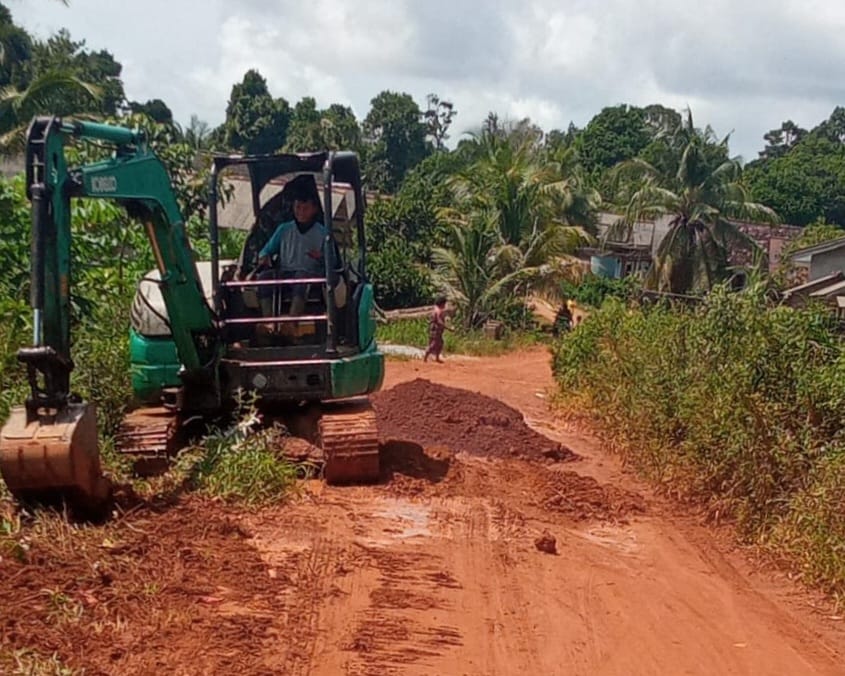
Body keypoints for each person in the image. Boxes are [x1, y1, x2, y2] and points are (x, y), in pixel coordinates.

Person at [255, 181, 327, 319]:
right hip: (286, 274)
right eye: (297, 207)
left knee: (301, 277)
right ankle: (268, 322)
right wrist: (264, 257)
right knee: (264, 278)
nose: (300, 212)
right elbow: (265, 251)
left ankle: (292, 321)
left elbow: (333, 261)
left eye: (305, 208)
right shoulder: (284, 229)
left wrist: (320, 256)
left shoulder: (323, 233)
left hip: (311, 278)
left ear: (314, 209)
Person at [423, 296, 450, 363]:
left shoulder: (438, 310)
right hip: (435, 330)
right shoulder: (438, 311)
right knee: (433, 344)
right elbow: (439, 321)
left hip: (437, 330)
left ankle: (436, 357)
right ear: (442, 303)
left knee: (440, 343)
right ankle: (425, 357)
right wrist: (448, 328)